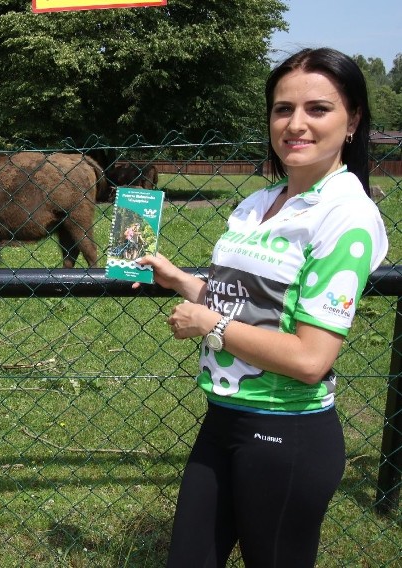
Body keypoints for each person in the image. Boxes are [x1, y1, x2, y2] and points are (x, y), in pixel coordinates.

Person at [135, 48, 388, 567]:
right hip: (223, 419)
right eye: (281, 109)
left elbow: (310, 359)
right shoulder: (258, 203)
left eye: (317, 109)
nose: (295, 124)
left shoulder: (346, 216)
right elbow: (250, 307)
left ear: (353, 120)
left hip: (286, 433)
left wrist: (210, 324)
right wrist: (184, 282)